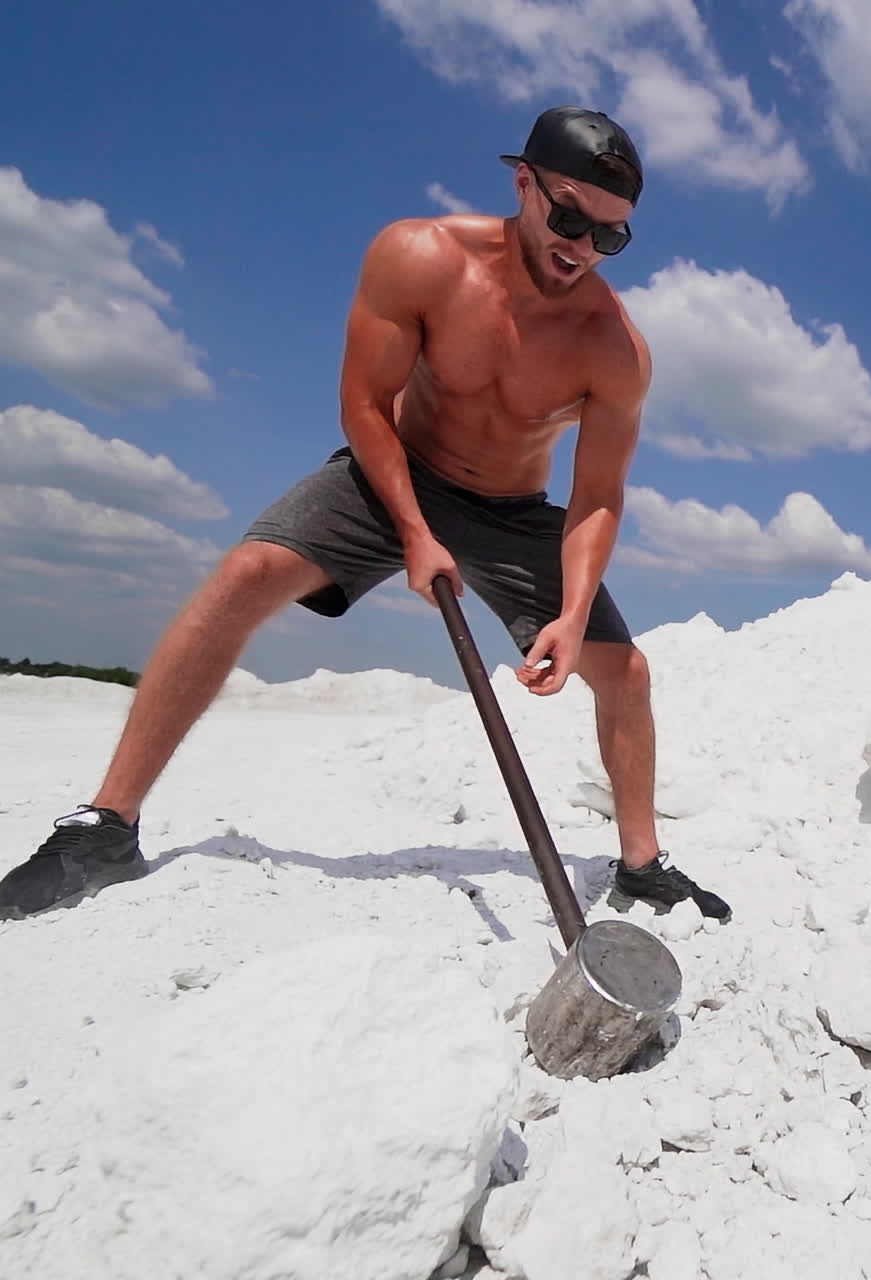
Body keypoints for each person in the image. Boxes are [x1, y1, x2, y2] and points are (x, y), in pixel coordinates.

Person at [0, 106, 730, 924]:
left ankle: (641, 865)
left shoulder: (614, 346)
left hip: (513, 509)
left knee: (624, 672)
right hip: (393, 473)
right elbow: (364, 404)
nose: (583, 248)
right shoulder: (419, 256)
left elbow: (598, 494)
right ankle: (108, 825)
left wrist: (566, 612)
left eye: (611, 237)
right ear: (522, 183)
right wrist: (416, 533)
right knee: (246, 574)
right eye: (569, 217)